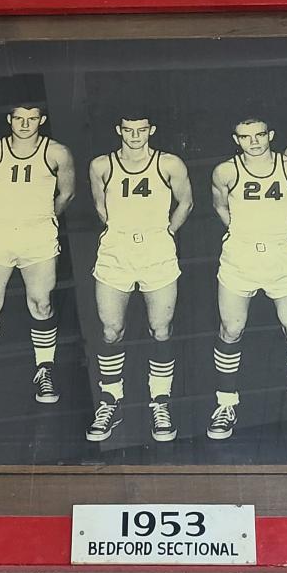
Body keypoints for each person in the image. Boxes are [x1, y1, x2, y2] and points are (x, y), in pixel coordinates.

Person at [207, 117, 287, 440]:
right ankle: (225, 404)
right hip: (240, 257)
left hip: (281, 256)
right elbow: (221, 210)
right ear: (236, 139)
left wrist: (277, 233)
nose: (254, 142)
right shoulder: (225, 172)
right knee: (231, 329)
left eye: (260, 135)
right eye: (246, 137)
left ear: (270, 135)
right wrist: (247, 234)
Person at [0, 106, 75, 405]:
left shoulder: (57, 153)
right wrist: (4, 217)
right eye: (18, 118)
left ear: (41, 120)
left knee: (41, 303)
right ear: (8, 119)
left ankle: (44, 370)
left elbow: (67, 194)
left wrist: (44, 218)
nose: (24, 124)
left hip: (39, 238)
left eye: (32, 118)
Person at [85, 115, 193, 443]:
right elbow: (100, 207)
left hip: (156, 251)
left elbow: (186, 201)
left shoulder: (169, 163)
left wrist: (167, 232)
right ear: (118, 130)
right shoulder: (101, 165)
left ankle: (160, 401)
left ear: (152, 130)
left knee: (160, 329)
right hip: (116, 251)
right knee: (111, 329)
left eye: (142, 129)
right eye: (128, 130)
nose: (135, 136)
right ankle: (110, 400)